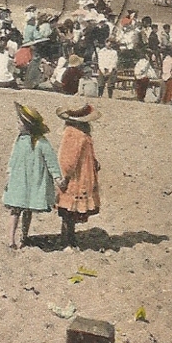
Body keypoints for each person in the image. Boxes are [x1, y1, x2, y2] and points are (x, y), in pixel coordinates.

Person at [2, 103, 64, 250]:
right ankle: (11, 239)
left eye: (20, 122)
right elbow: (13, 158)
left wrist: (57, 177)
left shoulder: (41, 142)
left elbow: (51, 161)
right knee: (15, 210)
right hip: (18, 180)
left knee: (27, 210)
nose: (17, 124)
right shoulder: (19, 140)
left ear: (27, 125)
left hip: (33, 181)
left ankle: (24, 236)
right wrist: (9, 173)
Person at [55, 102, 102, 249]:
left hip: (80, 176)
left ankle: (69, 239)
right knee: (69, 210)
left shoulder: (79, 134)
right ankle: (67, 240)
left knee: (69, 211)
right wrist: (66, 176)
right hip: (76, 178)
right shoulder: (75, 134)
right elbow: (68, 159)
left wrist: (93, 162)